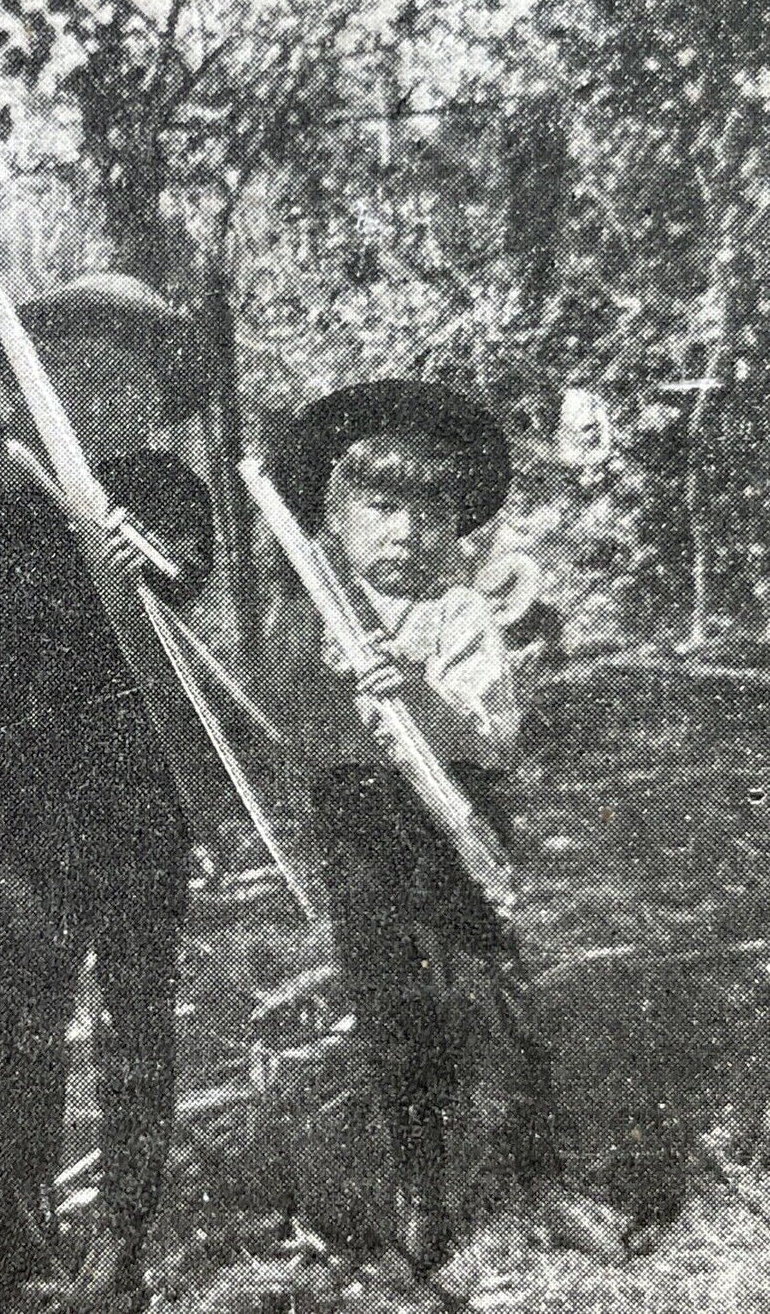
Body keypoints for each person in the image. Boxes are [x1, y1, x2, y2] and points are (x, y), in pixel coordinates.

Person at [0, 274, 216, 1314]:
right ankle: (24, 1223)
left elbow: (186, 569)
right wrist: (1, 452)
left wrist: (140, 552)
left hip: (141, 788)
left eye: (116, 374)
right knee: (21, 1012)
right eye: (69, 373)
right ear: (43, 389)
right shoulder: (15, 496)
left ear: (148, 387)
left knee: (132, 1010)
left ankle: (121, 1236)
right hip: (39, 791)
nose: (95, 392)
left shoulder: (164, 486)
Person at [258, 379, 624, 1275]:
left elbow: (491, 732)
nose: (403, 532)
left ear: (454, 524)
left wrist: (413, 690)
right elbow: (291, 731)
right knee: (392, 1005)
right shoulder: (310, 619)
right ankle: (419, 1187)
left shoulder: (460, 613)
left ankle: (543, 1176)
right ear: (336, 520)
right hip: (363, 830)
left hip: (458, 822)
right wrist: (339, 692)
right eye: (380, 508)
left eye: (427, 512)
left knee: (491, 993)